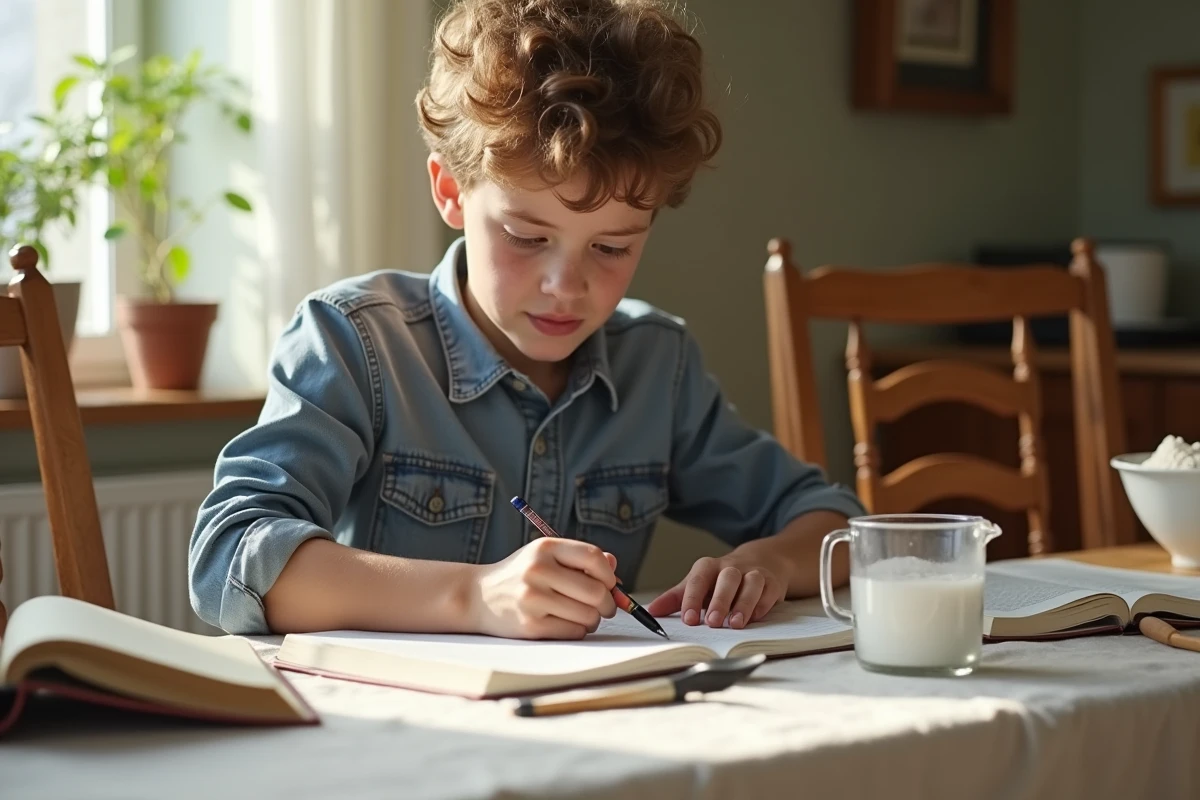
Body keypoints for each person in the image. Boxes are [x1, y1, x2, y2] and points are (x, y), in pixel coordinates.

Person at [188, 0, 865, 640]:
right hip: (387, 732)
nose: (565, 286)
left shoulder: (657, 365)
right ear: (450, 191)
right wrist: (475, 597)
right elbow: (227, 559)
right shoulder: (356, 342)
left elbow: (837, 523)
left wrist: (769, 564)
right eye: (525, 236)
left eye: (612, 247)